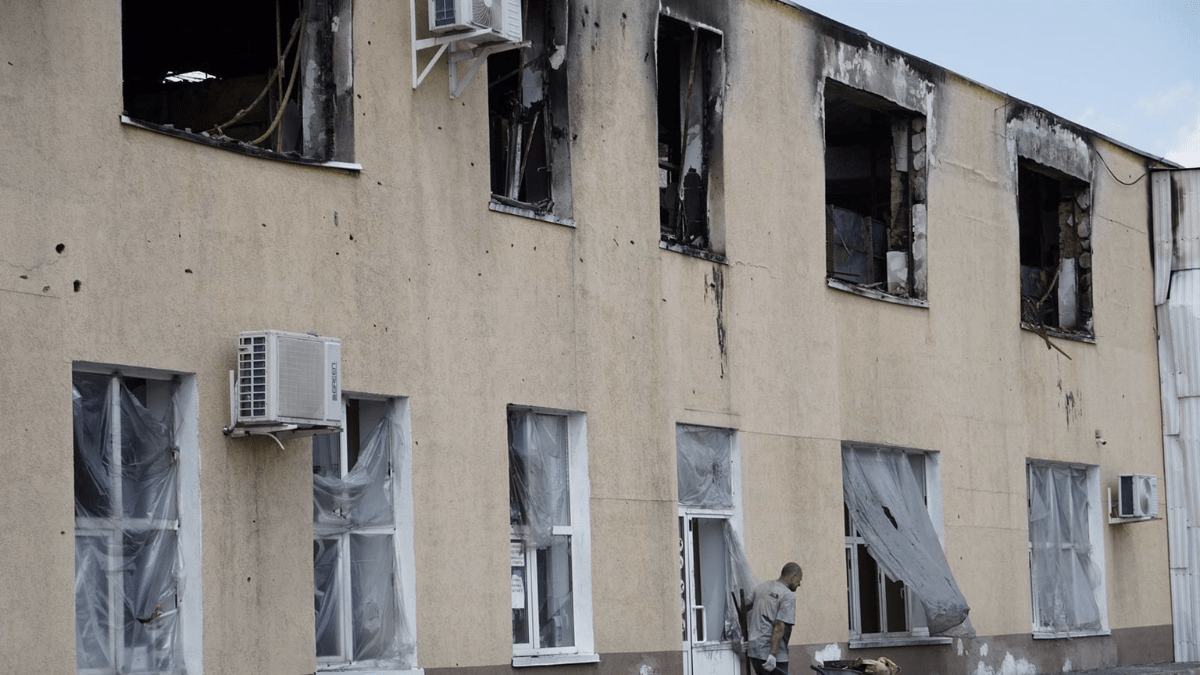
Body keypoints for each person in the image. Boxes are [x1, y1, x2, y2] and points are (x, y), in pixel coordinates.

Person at [746, 562, 802, 675]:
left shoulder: (762, 587)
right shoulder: (787, 596)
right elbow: (779, 627)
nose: (799, 584)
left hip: (754, 651)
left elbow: (744, 605)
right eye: (799, 579)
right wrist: (773, 655)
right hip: (773, 655)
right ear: (794, 576)